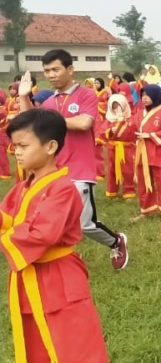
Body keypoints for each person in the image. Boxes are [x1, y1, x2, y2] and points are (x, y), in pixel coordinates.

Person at [3, 109, 128, 363]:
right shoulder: (22, 188)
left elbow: (41, 234)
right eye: (14, 146)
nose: (17, 152)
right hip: (28, 281)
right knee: (42, 355)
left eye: (23, 145)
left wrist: (9, 233)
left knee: (79, 354)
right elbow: (10, 220)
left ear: (51, 146)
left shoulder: (63, 189)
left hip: (59, 276)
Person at [15, 50, 128, 270]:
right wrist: (23, 97)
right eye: (47, 70)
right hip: (52, 172)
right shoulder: (48, 102)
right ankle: (56, 260)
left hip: (80, 170)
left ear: (70, 69)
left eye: (56, 69)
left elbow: (84, 123)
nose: (51, 75)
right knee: (48, 220)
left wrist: (51, 121)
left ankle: (116, 241)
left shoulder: (85, 94)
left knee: (85, 224)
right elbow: (30, 125)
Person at [132, 84, 161, 223]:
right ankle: (146, 209)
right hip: (143, 152)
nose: (144, 98)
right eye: (143, 95)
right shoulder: (139, 113)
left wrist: (149, 135)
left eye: (148, 95)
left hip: (159, 153)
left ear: (156, 96)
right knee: (143, 181)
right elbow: (133, 128)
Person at [103, 93, 137, 200]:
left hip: (126, 148)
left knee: (128, 171)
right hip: (112, 149)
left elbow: (133, 134)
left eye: (118, 106)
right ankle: (112, 192)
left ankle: (129, 192)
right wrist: (110, 131)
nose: (116, 109)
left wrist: (122, 123)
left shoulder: (131, 119)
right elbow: (102, 132)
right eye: (114, 107)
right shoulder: (109, 120)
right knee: (112, 170)